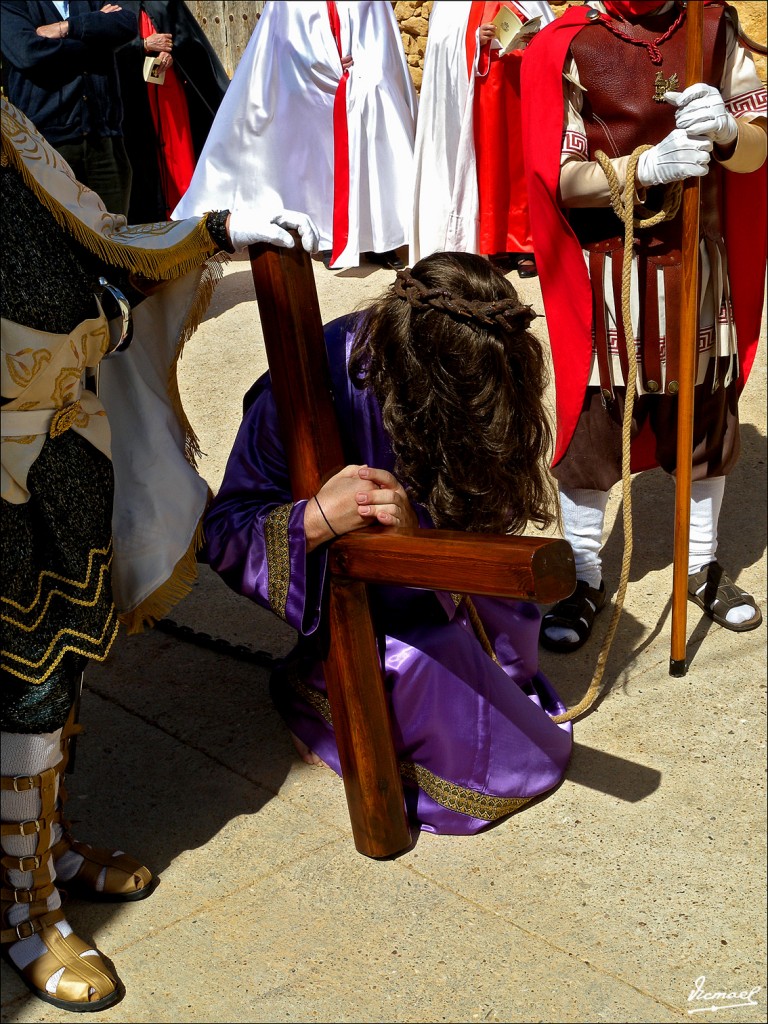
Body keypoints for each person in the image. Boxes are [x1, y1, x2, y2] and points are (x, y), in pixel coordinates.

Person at [0, 95, 318, 1011]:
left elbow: (101, 242)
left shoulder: (11, 132)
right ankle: (25, 912)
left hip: (61, 447)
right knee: (21, 688)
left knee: (58, 674)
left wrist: (215, 230)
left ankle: (42, 849)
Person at [203, 251, 573, 837]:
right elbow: (223, 532)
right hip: (345, 596)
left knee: (508, 660)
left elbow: (490, 512)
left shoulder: (491, 368)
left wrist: (414, 541)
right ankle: (315, 700)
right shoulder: (309, 383)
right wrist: (318, 519)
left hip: (442, 581)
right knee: (445, 687)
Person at [520, 0, 766, 653]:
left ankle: (701, 569)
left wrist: (728, 135)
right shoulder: (570, 44)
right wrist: (644, 169)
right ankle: (584, 577)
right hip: (613, 278)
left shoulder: (715, 26)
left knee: (706, 422)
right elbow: (560, 174)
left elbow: (759, 145)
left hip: (701, 270)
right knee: (597, 433)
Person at [172, 0, 418, 271]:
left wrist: (368, 66)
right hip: (311, 85)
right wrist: (325, 64)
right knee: (317, 160)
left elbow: (379, 33)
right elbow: (284, 38)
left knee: (373, 150)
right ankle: (328, 235)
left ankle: (377, 239)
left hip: (365, 84)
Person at [410, 0, 555, 275]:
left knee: (522, 165)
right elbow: (443, 40)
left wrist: (537, 36)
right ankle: (493, 243)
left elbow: (547, 26)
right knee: (489, 166)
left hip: (523, 88)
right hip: (482, 93)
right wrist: (474, 37)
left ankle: (525, 244)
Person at [0, 0, 139, 216]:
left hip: (105, 143)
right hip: (46, 149)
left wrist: (66, 27)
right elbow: (28, 52)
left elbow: (127, 24)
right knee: (58, 242)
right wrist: (97, 37)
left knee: (115, 239)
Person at [115, 0, 230, 223]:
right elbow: (104, 43)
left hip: (169, 92)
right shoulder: (110, 3)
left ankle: (187, 220)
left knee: (178, 154)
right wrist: (144, 44)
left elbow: (188, 40)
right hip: (130, 96)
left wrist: (172, 53)